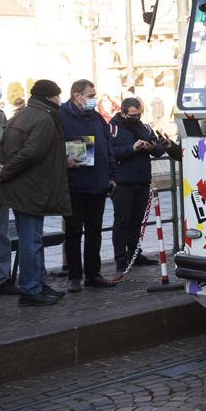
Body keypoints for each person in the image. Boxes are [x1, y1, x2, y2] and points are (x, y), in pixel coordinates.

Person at [0, 79, 74, 306]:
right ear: (49, 97)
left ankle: (39, 284)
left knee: (32, 239)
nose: (59, 100)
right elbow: (31, 154)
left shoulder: (21, 114)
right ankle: (31, 290)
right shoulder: (44, 118)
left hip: (20, 189)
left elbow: (1, 147)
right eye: (58, 95)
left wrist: (0, 168)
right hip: (32, 189)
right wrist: (4, 173)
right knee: (31, 241)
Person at [59, 79, 117, 292]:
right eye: (91, 96)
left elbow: (107, 148)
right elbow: (50, 147)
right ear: (77, 95)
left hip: (98, 185)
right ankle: (75, 277)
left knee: (95, 231)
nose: (95, 99)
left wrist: (112, 176)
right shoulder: (60, 117)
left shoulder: (98, 118)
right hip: (74, 185)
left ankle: (93, 273)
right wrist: (63, 160)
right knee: (73, 232)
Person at [109, 98, 165, 271]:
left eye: (139, 114)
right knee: (121, 221)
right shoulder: (112, 129)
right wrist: (131, 149)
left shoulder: (145, 127)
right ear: (123, 113)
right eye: (133, 115)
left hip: (142, 181)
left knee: (136, 221)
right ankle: (120, 258)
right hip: (122, 183)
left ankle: (135, 253)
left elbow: (159, 150)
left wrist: (152, 147)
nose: (136, 118)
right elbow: (109, 153)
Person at [0, 70, 18, 295]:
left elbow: (7, 146)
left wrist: (4, 167)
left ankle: (0, 280)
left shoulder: (0, 116)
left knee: (1, 235)